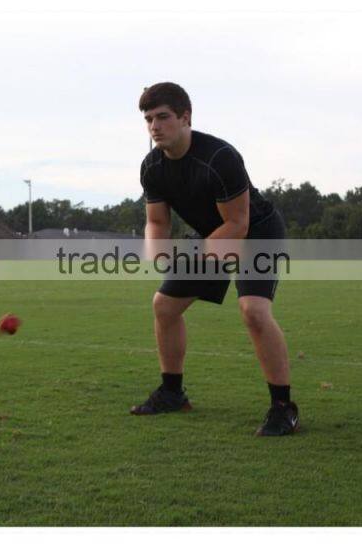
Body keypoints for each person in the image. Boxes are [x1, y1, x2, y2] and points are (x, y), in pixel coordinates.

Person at [130, 82, 299, 437]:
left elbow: (239, 223)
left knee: (253, 310)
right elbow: (157, 221)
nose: (154, 127)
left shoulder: (219, 157)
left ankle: (284, 408)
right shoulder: (152, 167)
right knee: (164, 306)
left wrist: (189, 256)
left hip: (257, 232)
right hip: (212, 232)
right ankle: (172, 393)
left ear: (185, 117)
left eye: (162, 117)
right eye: (148, 120)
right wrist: (157, 252)